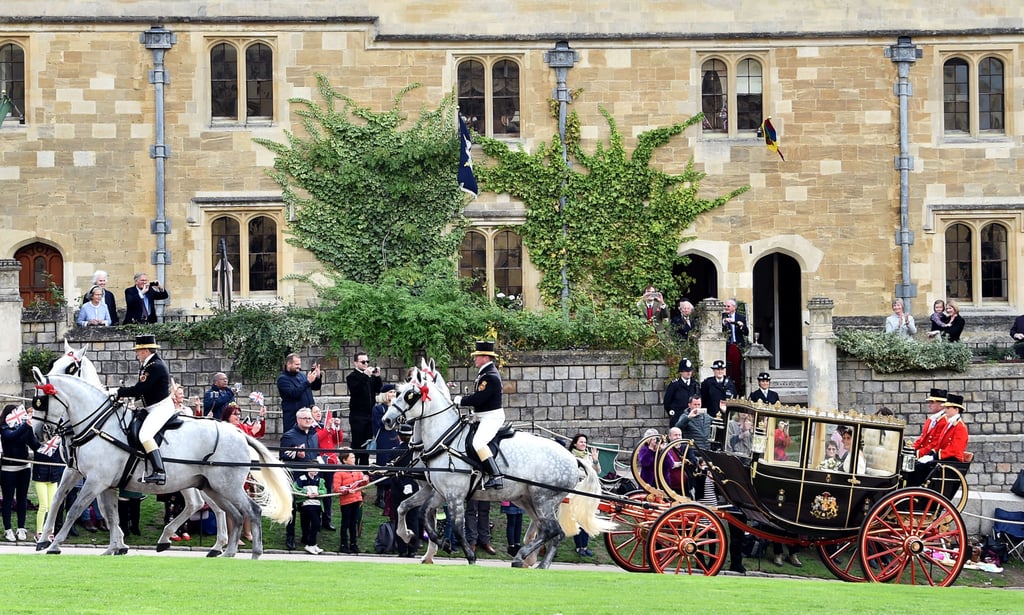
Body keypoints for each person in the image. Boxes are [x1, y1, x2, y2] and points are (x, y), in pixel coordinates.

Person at [114, 334, 174, 485]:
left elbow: (139, 389)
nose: (136, 354)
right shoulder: (149, 364)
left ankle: (159, 471)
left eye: (138, 351)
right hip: (150, 407)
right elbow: (145, 391)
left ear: (146, 351)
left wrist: (118, 391)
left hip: (160, 408)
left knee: (145, 435)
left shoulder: (155, 367)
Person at [453, 340, 505, 490]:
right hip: (482, 416)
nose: (474, 359)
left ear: (485, 357)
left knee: (478, 443)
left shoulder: (490, 376)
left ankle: (496, 476)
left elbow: (479, 398)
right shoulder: (485, 374)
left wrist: (460, 400)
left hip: (491, 417)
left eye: (477, 356)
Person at [280, 407, 320, 551]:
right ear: (298, 420)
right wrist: (297, 454)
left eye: (310, 418)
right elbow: (283, 455)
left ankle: (306, 536)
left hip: (311, 477)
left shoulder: (314, 435)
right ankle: (289, 536)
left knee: (308, 508)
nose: (309, 420)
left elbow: (316, 454)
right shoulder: (289, 436)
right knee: (291, 508)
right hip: (294, 476)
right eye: (305, 418)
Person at [1, 404, 41, 541]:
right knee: (8, 499)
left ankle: (21, 528)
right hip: (8, 470)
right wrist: (27, 425)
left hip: (24, 468)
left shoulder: (25, 428)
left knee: (22, 499)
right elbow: (11, 437)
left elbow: (34, 445)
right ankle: (7, 529)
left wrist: (47, 444)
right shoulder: (4, 428)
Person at [390, 424, 422, 557]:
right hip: (414, 488)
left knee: (400, 520)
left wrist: (403, 484)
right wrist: (411, 484)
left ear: (399, 436)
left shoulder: (395, 451)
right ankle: (412, 549)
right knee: (413, 519)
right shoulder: (416, 453)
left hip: (399, 489)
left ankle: (402, 549)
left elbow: (392, 472)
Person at [345, 351, 381, 466]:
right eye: (363, 362)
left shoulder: (369, 376)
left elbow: (378, 389)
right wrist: (365, 375)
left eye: (367, 361)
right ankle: (354, 466)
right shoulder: (352, 377)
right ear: (356, 363)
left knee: (367, 442)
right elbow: (356, 390)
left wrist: (377, 377)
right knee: (357, 442)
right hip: (358, 415)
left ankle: (364, 468)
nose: (366, 364)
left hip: (369, 414)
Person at [568, 433, 599, 557]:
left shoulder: (588, 456)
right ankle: (578, 547)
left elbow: (597, 472)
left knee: (585, 520)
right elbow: (576, 473)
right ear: (575, 443)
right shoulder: (570, 456)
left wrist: (595, 461)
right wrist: (586, 474)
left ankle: (585, 547)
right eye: (581, 442)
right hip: (576, 491)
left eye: (585, 442)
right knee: (577, 520)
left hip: (588, 491)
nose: (583, 444)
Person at [31, 427, 64, 542]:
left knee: (52, 507)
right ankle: (39, 532)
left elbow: (59, 457)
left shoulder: (57, 441)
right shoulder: (37, 440)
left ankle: (50, 532)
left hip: (53, 477)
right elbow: (38, 450)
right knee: (43, 505)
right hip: (41, 477)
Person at [333, 450, 368, 553]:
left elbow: (362, 483)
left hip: (357, 499)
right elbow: (336, 488)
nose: (354, 459)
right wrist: (347, 490)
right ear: (344, 460)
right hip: (346, 501)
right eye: (351, 458)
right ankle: (343, 544)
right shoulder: (339, 472)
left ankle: (353, 544)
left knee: (354, 523)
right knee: (346, 523)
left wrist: (365, 480)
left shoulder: (357, 470)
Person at [277, 353, 322, 433]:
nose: (299, 366)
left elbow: (315, 387)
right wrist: (308, 381)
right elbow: (294, 393)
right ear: (288, 364)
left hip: (308, 416)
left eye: (299, 364)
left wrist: (317, 377)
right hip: (293, 418)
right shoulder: (283, 379)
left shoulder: (301, 375)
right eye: (296, 364)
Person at [371, 384, 400, 511]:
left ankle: (391, 494)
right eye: (391, 392)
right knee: (383, 463)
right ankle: (380, 497)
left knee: (394, 462)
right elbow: (383, 424)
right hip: (383, 438)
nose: (393, 394)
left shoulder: (396, 408)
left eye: (394, 392)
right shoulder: (379, 408)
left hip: (394, 437)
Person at [311, 405, 339, 532]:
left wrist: (336, 428)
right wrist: (327, 429)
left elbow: (337, 439)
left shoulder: (324, 426)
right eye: (315, 411)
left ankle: (327, 520)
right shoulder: (312, 428)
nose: (318, 413)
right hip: (319, 462)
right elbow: (316, 440)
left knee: (328, 492)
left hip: (330, 462)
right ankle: (316, 519)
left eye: (319, 411)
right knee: (318, 491)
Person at [293, 462, 327, 555]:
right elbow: (295, 489)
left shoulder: (320, 480)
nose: (316, 471)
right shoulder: (301, 478)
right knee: (315, 523)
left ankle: (313, 543)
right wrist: (305, 492)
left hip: (317, 505)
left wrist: (318, 493)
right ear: (308, 468)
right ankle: (310, 544)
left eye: (317, 469)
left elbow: (324, 490)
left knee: (316, 525)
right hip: (307, 504)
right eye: (313, 468)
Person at [663, 358, 698, 430]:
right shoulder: (674, 385)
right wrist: (673, 415)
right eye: (686, 371)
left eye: (690, 370)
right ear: (681, 372)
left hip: (692, 420)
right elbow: (667, 402)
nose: (689, 373)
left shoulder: (695, 384)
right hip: (677, 418)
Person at [911, 388, 947, 458]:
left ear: (941, 404)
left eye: (932, 402)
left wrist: (918, 453)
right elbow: (922, 438)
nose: (929, 405)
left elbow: (935, 444)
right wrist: (912, 448)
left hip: (931, 455)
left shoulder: (944, 421)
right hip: (923, 453)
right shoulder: (930, 420)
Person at [722, 299, 749, 385]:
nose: (726, 308)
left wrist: (742, 326)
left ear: (734, 307)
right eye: (725, 306)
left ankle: (737, 387)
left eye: (728, 306)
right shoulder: (722, 316)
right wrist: (724, 322)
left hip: (738, 346)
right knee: (727, 368)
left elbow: (746, 332)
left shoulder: (740, 317)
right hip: (726, 346)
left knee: (737, 369)